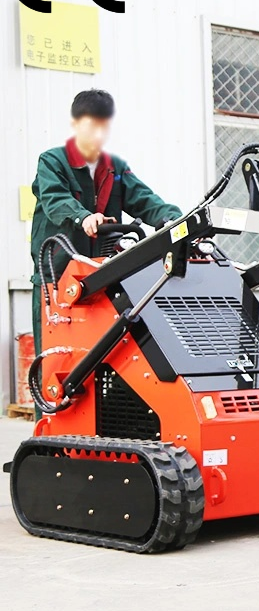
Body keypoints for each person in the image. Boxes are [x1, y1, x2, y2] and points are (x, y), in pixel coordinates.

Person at [30, 89, 182, 393]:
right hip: (58, 278)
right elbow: (55, 199)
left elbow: (145, 200)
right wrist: (83, 216)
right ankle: (49, 421)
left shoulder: (115, 167)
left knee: (102, 357)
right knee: (56, 362)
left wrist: (174, 220)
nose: (98, 133)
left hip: (102, 277)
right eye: (91, 124)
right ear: (76, 124)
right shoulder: (53, 161)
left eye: (103, 125)